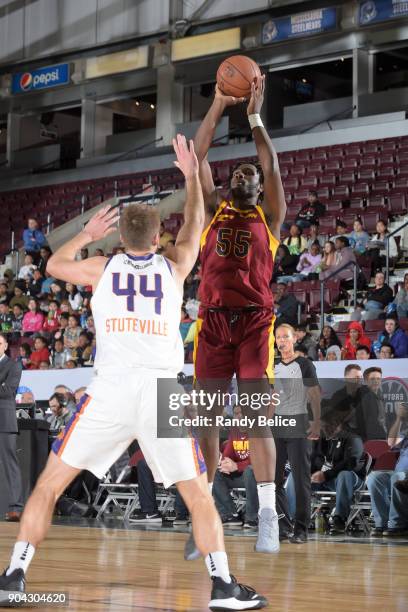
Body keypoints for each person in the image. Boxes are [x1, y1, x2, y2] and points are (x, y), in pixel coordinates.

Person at [0, 135, 267, 611]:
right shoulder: (174, 265)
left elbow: (56, 263)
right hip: (161, 390)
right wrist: (189, 174)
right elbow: (196, 223)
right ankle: (224, 587)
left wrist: (85, 234)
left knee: (48, 484)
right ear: (157, 233)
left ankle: (15, 573)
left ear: (119, 237)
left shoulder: (100, 267)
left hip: (112, 389)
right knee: (198, 495)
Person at [188, 76, 286, 557]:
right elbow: (200, 157)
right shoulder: (211, 208)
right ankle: (203, 513)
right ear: (231, 184)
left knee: (255, 419)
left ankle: (268, 515)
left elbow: (269, 161)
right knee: (204, 418)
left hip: (252, 323)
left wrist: (252, 115)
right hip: (211, 323)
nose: (247, 173)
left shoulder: (272, 214)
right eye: (241, 173)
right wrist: (217, 104)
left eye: (253, 173)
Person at [274, 324, 321, 544]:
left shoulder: (304, 364)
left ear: (294, 339)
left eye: (285, 337)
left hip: (299, 425)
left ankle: (301, 529)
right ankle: (284, 527)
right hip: (276, 427)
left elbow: (314, 394)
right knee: (272, 481)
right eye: (278, 337)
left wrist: (317, 422)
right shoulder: (271, 366)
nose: (281, 341)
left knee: (301, 479)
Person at [312, 413, 366, 535]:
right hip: (328, 480)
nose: (324, 430)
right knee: (297, 477)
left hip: (352, 480)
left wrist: (326, 475)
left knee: (344, 474)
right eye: (322, 427)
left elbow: (349, 464)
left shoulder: (353, 439)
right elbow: (314, 459)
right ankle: (290, 517)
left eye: (326, 426)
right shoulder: (323, 439)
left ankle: (339, 518)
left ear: (338, 425)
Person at [212, 406, 259, 529]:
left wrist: (237, 466)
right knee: (215, 472)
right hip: (240, 475)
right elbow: (228, 454)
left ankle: (252, 518)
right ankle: (230, 514)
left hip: (258, 476)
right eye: (236, 413)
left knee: (250, 470)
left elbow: (258, 459)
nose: (239, 416)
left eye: (242, 412)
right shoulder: (234, 431)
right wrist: (225, 463)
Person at [367, 403, 408, 536]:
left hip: (403, 476)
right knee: (374, 478)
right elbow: (391, 442)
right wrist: (399, 419)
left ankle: (398, 524)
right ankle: (382, 523)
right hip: (398, 472)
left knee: (399, 477)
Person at [0, 333, 24, 522]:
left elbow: (8, 390)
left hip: (4, 421)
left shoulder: (14, 365)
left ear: (6, 345)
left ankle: (15, 507)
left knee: (9, 465)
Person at [355, 367, 387, 441]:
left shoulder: (380, 396)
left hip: (380, 437)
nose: (376, 381)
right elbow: (361, 422)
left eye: (378, 378)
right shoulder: (363, 395)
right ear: (366, 381)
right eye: (372, 379)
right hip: (369, 440)